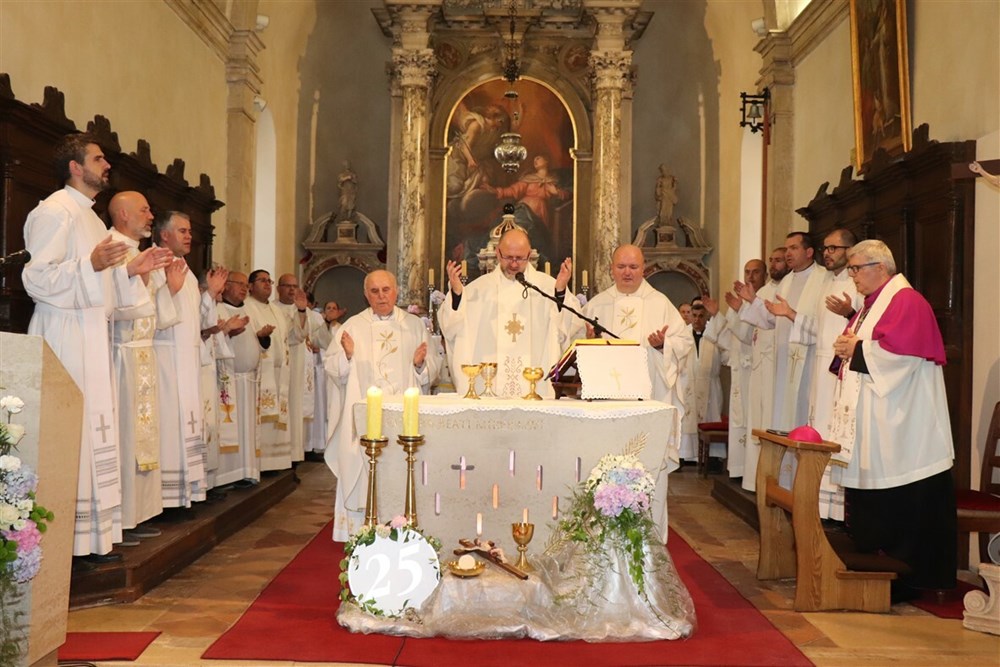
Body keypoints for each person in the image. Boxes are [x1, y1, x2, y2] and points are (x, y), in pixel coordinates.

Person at [22, 134, 172, 559]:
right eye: (98, 158)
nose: (106, 165)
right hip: (64, 332)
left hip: (92, 332)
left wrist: (131, 271)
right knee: (71, 432)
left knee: (94, 432)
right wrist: (90, 265)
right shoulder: (54, 211)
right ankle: (59, 538)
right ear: (75, 167)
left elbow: (103, 291)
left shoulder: (88, 219)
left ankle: (88, 537)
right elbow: (36, 279)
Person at [829, 239, 956, 598]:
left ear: (880, 268)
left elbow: (901, 355)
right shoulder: (873, 305)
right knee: (877, 500)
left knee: (906, 501)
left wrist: (855, 349)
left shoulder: (906, 301)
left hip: (906, 425)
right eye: (851, 269)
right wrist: (848, 348)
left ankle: (912, 578)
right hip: (881, 422)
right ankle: (877, 568)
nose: (851, 276)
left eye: (856, 268)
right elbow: (861, 347)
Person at [324, 270, 441, 540]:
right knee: (362, 465)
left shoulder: (413, 325)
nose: (381, 296)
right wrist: (348, 356)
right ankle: (362, 531)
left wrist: (421, 364)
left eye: (386, 290)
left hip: (403, 419)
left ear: (395, 291)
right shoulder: (352, 326)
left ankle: (402, 525)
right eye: (374, 291)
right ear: (366, 295)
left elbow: (432, 369)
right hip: (366, 422)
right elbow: (332, 367)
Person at [438, 228, 583, 399]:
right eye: (508, 257)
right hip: (488, 391)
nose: (514, 264)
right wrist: (456, 294)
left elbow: (569, 328)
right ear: (498, 253)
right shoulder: (477, 290)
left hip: (537, 390)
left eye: (520, 258)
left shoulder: (547, 286)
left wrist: (560, 292)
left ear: (529, 255)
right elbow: (451, 326)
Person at [107, 191, 171, 542]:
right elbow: (116, 305)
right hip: (123, 357)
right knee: (126, 436)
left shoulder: (137, 250)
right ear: (123, 214)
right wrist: (139, 276)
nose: (150, 215)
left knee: (145, 437)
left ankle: (140, 513)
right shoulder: (111, 247)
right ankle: (121, 517)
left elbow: (157, 309)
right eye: (144, 210)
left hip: (144, 355)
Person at [151, 212, 225, 507]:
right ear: (164, 235)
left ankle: (186, 493)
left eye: (190, 230)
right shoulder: (154, 264)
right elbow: (149, 315)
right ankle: (165, 498)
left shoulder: (188, 271)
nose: (189, 236)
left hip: (188, 361)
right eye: (182, 230)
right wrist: (168, 288)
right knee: (169, 426)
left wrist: (210, 294)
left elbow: (195, 320)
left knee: (189, 425)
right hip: (165, 361)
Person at [793, 228, 861, 520]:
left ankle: (838, 509)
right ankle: (819, 505)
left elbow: (868, 322)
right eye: (826, 248)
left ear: (851, 249)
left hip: (842, 369)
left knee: (835, 430)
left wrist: (850, 313)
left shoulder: (858, 283)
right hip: (821, 367)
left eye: (834, 248)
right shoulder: (826, 282)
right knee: (818, 426)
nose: (828, 253)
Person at [582, 244, 691, 415]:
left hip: (649, 390)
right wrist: (588, 343)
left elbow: (684, 341)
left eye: (633, 267)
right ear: (611, 268)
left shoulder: (660, 303)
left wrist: (662, 346)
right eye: (621, 266)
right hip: (606, 393)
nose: (627, 272)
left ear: (643, 269)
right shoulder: (597, 305)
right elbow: (575, 346)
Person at [738, 232, 827, 431]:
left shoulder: (824, 279)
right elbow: (773, 321)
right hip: (783, 360)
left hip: (810, 359)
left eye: (794, 248)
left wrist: (791, 314)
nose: (788, 253)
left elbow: (826, 325)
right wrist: (754, 301)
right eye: (786, 249)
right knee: (782, 412)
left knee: (803, 410)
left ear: (809, 252)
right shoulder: (787, 281)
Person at [702, 258, 766, 479]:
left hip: (755, 370)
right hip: (740, 370)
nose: (750, 276)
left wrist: (741, 310)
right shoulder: (740, 301)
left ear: (764, 275)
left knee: (750, 418)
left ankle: (751, 471)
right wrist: (716, 315)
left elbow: (748, 336)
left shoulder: (764, 298)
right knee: (739, 419)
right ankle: (739, 468)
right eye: (747, 271)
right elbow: (725, 339)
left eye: (755, 272)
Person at [733, 247, 787, 492]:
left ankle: (771, 480)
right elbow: (746, 333)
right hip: (758, 365)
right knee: (757, 419)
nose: (776, 264)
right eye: (773, 260)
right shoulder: (763, 292)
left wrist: (746, 305)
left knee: (769, 420)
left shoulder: (785, 290)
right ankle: (755, 477)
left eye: (779, 260)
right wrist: (741, 307)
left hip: (777, 365)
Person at [243, 269, 296, 471]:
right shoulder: (247, 307)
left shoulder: (275, 309)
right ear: (250, 286)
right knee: (262, 421)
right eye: (262, 280)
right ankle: (262, 463)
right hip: (261, 374)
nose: (267, 284)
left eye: (269, 281)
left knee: (278, 419)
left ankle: (278, 461)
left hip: (278, 374)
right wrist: (260, 336)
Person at [215, 273, 259, 487]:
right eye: (239, 284)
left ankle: (247, 470)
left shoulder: (247, 308)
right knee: (231, 430)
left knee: (247, 431)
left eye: (245, 285)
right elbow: (212, 339)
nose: (244, 289)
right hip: (230, 379)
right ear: (226, 286)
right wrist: (227, 332)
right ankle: (229, 475)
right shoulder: (219, 309)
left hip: (248, 381)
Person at [273, 274, 310, 464]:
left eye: (294, 286)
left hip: (296, 366)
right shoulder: (272, 309)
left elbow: (301, 335)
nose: (291, 290)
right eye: (287, 286)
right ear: (278, 288)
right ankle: (277, 455)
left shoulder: (301, 310)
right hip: (278, 368)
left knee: (294, 407)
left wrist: (302, 311)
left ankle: (293, 455)